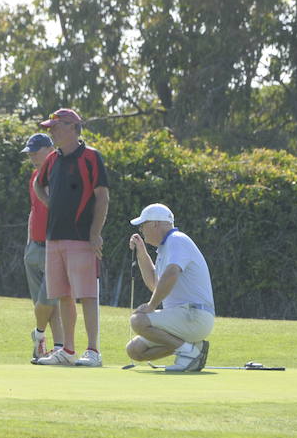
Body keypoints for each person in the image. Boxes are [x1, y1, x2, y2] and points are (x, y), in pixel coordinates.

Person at [32, 109, 109, 367]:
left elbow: (102, 197)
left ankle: (93, 351)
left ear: (71, 127)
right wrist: (50, 203)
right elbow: (38, 185)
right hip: (54, 238)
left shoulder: (91, 158)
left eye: (55, 127)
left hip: (82, 238)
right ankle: (68, 350)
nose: (51, 131)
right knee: (63, 294)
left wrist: (95, 233)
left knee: (87, 294)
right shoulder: (52, 159)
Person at [127, 203, 213, 372]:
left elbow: (172, 273)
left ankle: (189, 353)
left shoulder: (177, 240)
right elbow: (154, 283)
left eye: (144, 225)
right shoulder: (165, 249)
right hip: (182, 317)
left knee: (138, 321)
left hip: (194, 315)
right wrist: (142, 253)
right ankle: (192, 349)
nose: (142, 230)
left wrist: (151, 307)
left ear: (155, 224)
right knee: (134, 350)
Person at [20, 133, 64, 361]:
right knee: (46, 305)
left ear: (49, 149)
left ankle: (38, 336)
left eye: (35, 152)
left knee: (46, 301)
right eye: (29, 153)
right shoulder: (35, 176)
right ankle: (57, 348)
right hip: (34, 248)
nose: (32, 157)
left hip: (54, 247)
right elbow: (34, 211)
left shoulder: (58, 174)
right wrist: (29, 244)